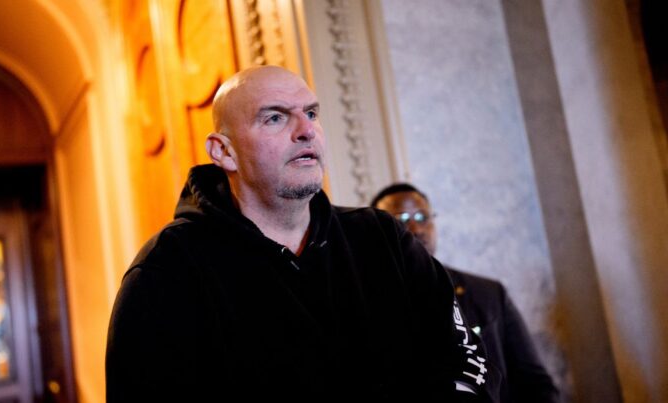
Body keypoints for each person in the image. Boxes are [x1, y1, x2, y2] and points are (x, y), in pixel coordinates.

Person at [106, 66, 496, 401]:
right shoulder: (166, 271)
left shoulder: (382, 237)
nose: (306, 130)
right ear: (224, 152)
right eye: (275, 118)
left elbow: (464, 357)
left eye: (311, 113)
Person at [372, 183, 560, 403]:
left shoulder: (488, 294)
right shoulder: (369, 302)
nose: (416, 228)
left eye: (422, 217)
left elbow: (536, 385)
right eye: (401, 220)